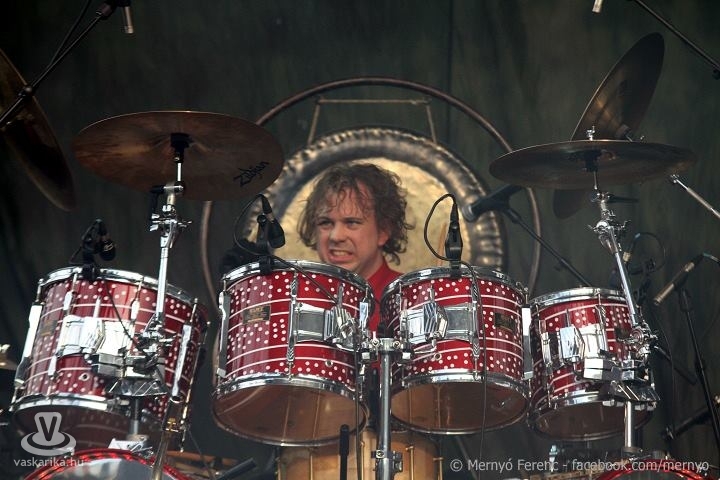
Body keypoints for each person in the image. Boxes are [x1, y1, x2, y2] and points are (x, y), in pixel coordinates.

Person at [297, 162, 413, 333]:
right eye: (325, 222)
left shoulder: (410, 300)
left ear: (383, 231)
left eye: (351, 222)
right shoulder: (296, 302)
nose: (336, 236)